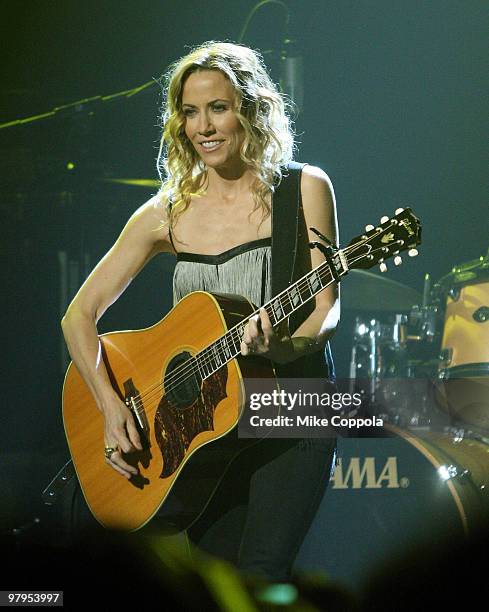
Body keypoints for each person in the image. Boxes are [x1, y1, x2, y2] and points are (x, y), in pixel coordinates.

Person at [61, 40, 340, 582]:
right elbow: (79, 316)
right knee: (216, 582)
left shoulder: (303, 188)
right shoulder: (166, 211)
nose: (204, 127)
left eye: (219, 108)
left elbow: (325, 309)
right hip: (201, 427)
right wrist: (112, 407)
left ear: (251, 110)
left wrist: (281, 346)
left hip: (290, 403)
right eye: (190, 112)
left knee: (262, 573)